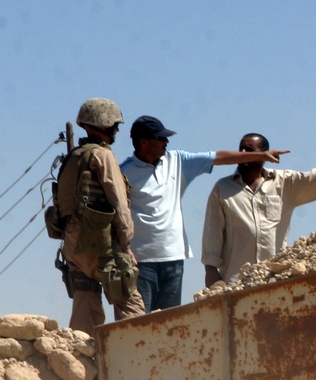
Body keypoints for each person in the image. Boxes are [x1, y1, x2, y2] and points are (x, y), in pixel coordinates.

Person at [120, 116, 290, 311]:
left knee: (166, 323)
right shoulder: (124, 172)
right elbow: (116, 216)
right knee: (139, 323)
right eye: (161, 138)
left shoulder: (177, 161)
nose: (166, 142)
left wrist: (260, 156)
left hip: (174, 259)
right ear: (144, 142)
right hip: (140, 261)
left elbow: (220, 157)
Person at [201, 133, 316, 285]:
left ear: (264, 154)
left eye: (249, 149)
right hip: (236, 282)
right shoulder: (222, 189)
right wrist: (211, 271)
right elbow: (213, 233)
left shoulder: (283, 183)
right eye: (240, 148)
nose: (242, 152)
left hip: (274, 280)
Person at [56, 98, 145, 334]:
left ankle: (80, 360)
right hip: (99, 242)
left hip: (73, 243)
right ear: (104, 123)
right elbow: (119, 202)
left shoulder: (74, 157)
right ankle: (135, 356)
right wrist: (125, 243)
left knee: (85, 304)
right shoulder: (102, 156)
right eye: (115, 125)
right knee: (129, 300)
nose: (117, 130)